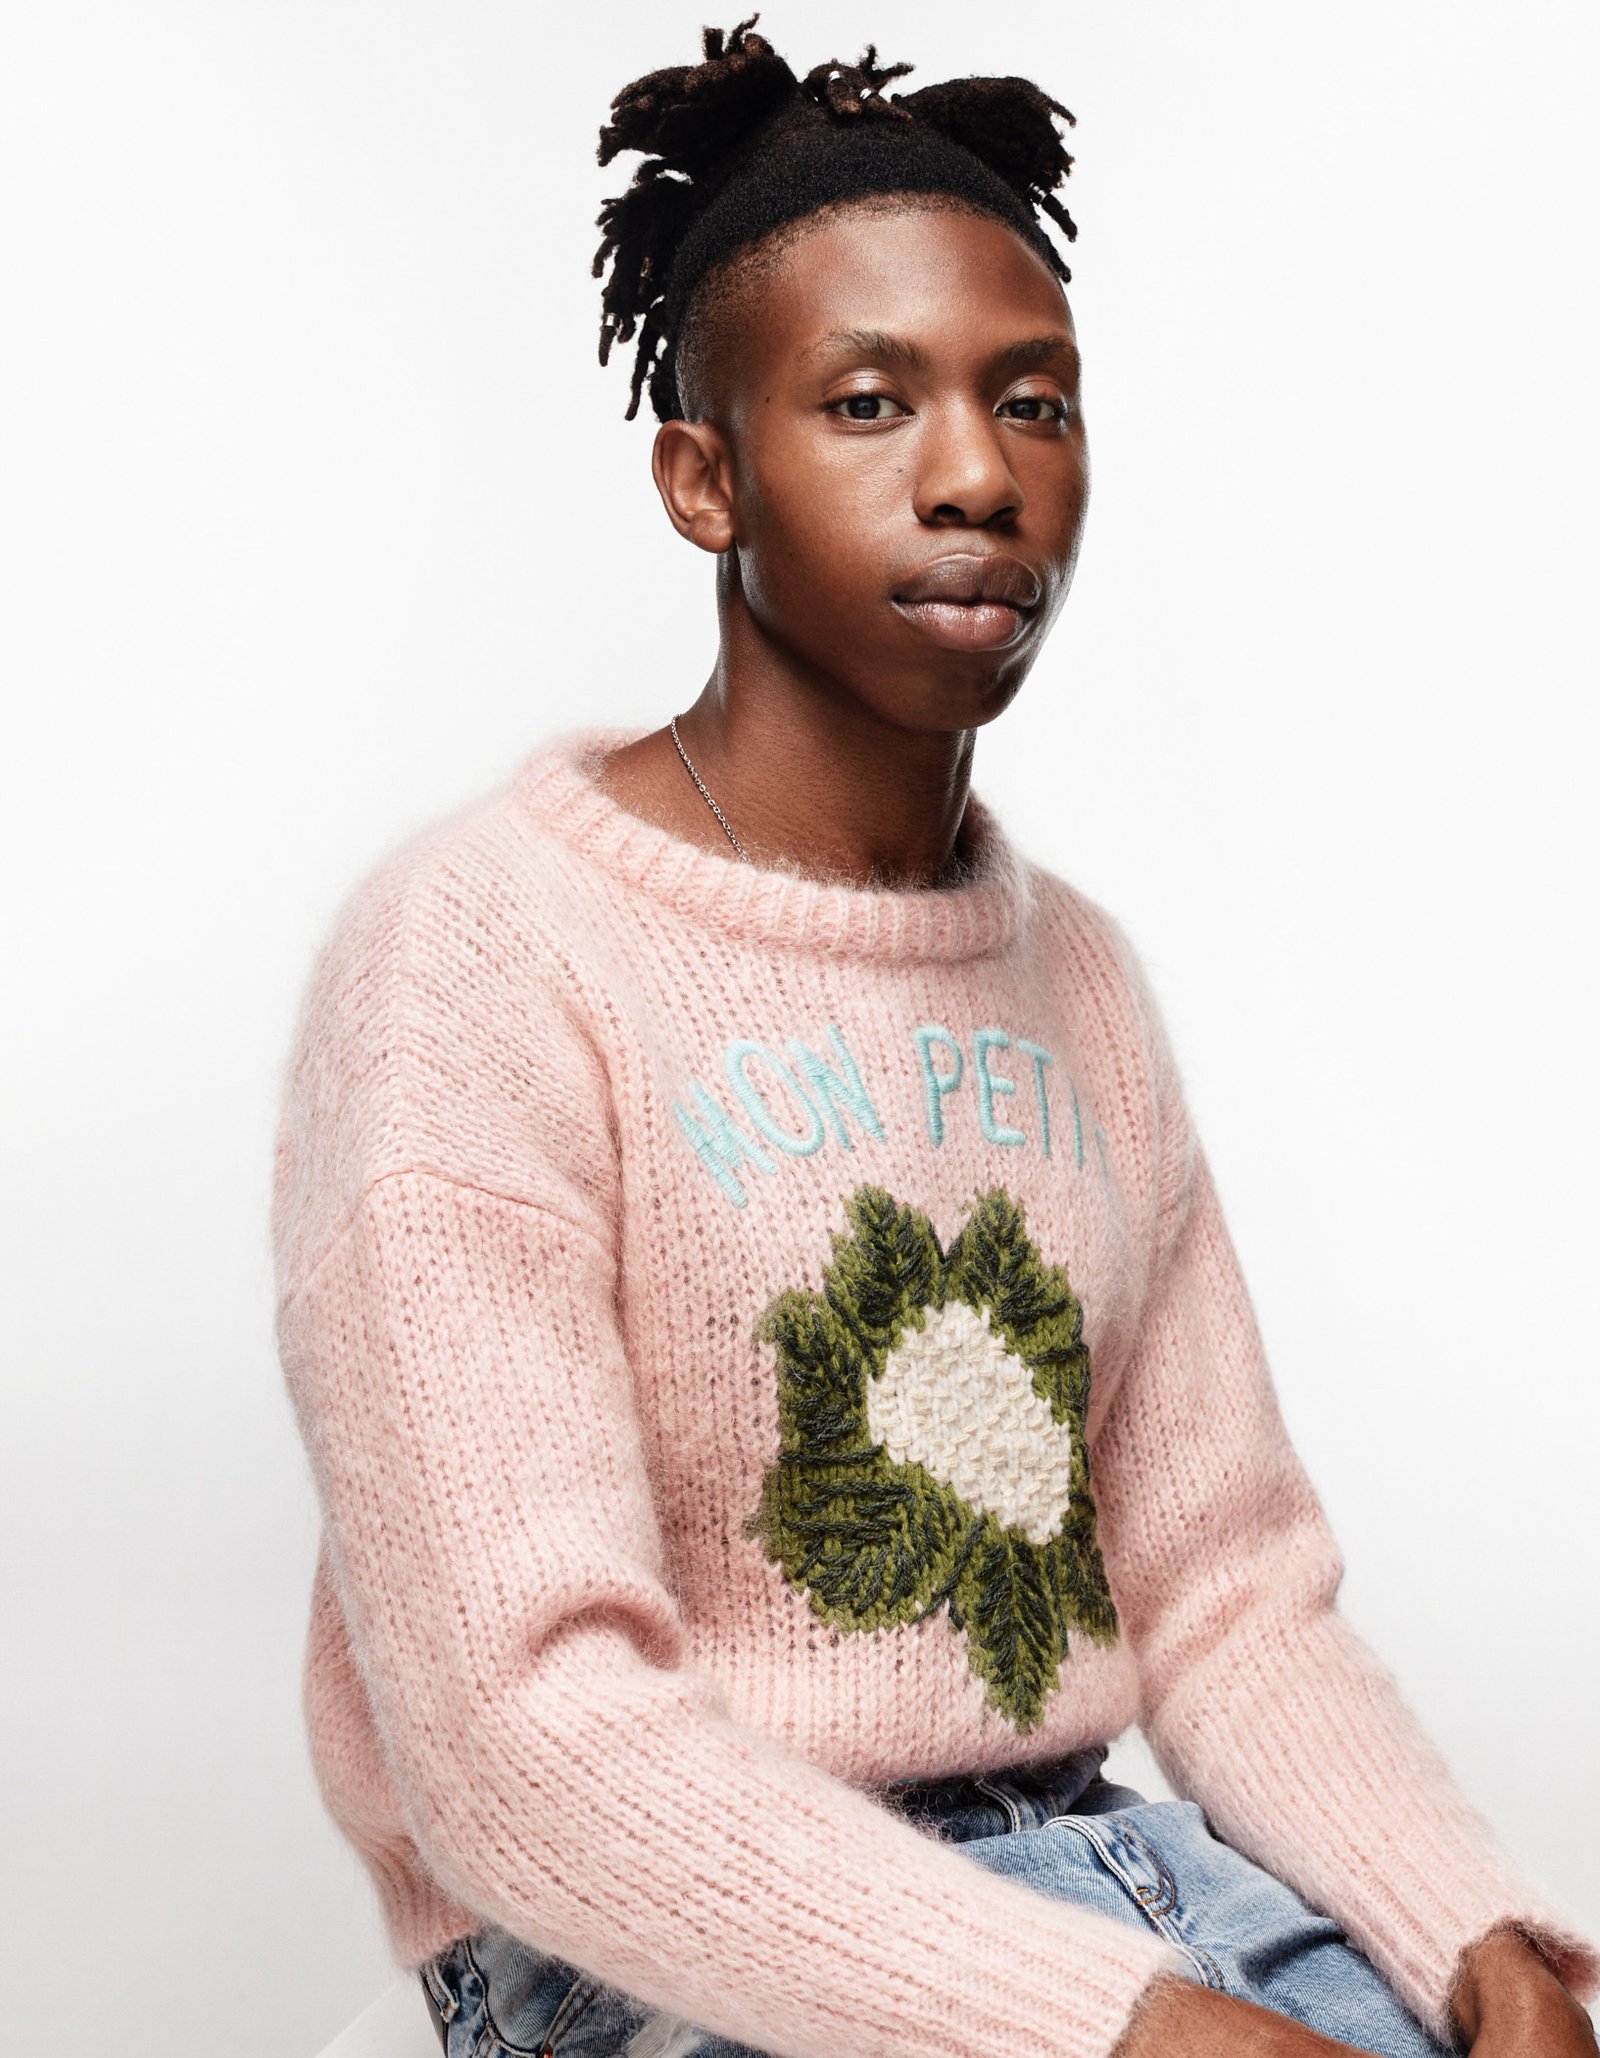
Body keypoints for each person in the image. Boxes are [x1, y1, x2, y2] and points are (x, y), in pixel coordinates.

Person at [271, 20, 1598, 2058]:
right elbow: (526, 1739)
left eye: (1032, 399)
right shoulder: (476, 950)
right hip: (639, 1961)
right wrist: (1113, 2030)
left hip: (1116, 1871)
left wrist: (1469, 1929)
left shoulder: (1082, 985)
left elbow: (1225, 1597)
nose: (978, 474)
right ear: (704, 478)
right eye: (869, 402)